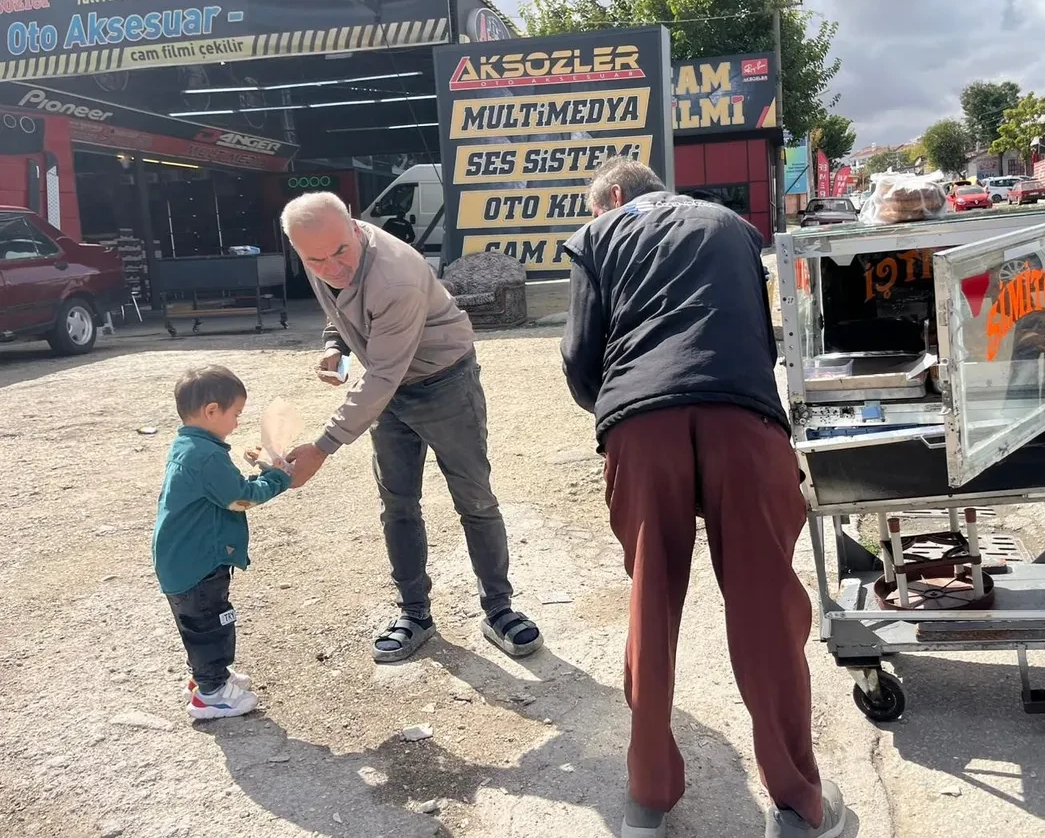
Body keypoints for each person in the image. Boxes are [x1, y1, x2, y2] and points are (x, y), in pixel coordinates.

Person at [560, 157, 846, 838]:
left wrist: (622, 415)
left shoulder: (598, 236)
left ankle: (647, 802)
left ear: (616, 198)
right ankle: (798, 803)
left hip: (641, 425)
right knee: (766, 607)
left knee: (650, 608)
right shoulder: (733, 226)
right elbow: (762, 331)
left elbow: (579, 356)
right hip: (744, 420)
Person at [279, 191, 542, 662]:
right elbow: (341, 306)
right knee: (397, 504)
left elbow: (382, 374)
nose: (332, 267)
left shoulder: (394, 275)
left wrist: (322, 446)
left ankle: (500, 609)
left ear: (355, 228)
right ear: (298, 250)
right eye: (315, 259)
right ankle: (414, 612)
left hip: (445, 384)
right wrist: (334, 342)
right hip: (389, 388)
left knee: (475, 498)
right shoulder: (323, 247)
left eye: (340, 251)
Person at [152, 365, 292, 720]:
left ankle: (207, 678)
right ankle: (211, 694)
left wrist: (257, 468)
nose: (237, 423)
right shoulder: (207, 455)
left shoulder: (190, 445)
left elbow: (221, 490)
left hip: (183, 558)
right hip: (199, 563)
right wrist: (277, 477)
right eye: (236, 414)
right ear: (212, 410)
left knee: (199, 623)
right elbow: (239, 499)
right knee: (210, 623)